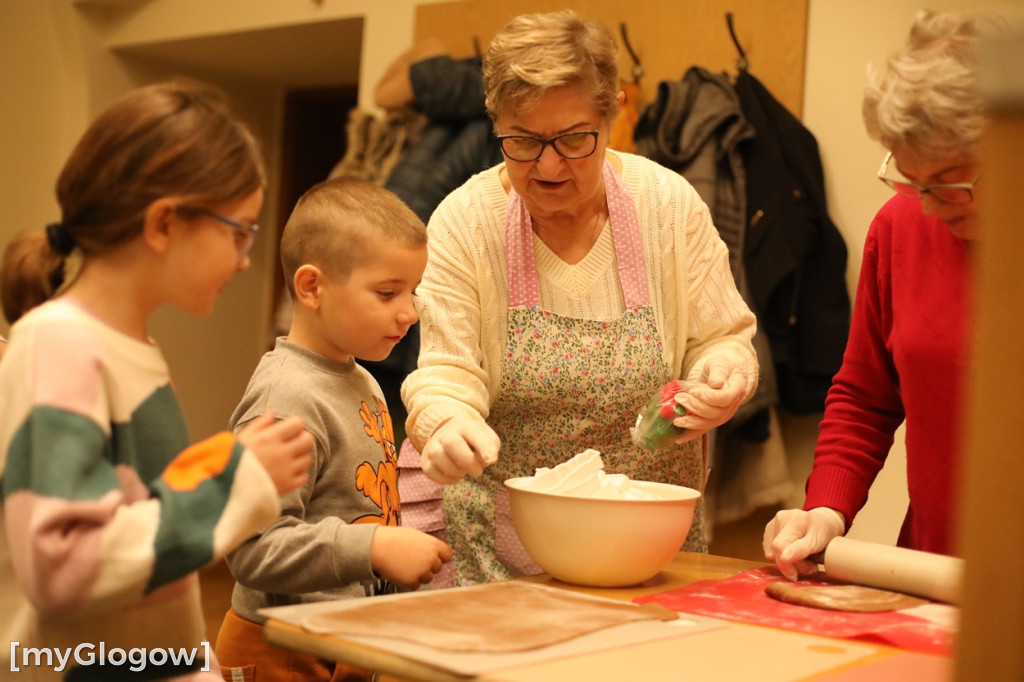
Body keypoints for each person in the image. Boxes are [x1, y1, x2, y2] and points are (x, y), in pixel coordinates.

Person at [401, 9, 760, 586]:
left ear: (613, 111)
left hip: (650, 549)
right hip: (506, 554)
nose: (546, 165)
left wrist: (722, 374)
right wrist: (443, 423)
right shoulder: (466, 222)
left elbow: (721, 337)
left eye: (572, 139)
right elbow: (446, 372)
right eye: (522, 141)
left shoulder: (667, 206)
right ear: (497, 124)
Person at [0, 79, 314, 680]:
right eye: (238, 231)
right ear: (165, 223)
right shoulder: (61, 343)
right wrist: (235, 481)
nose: (246, 259)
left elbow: (141, 549)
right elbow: (63, 569)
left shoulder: (133, 350)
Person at [763, 9, 1001, 581]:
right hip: (935, 575)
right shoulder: (902, 226)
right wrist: (826, 508)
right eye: (911, 179)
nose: (929, 204)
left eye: (949, 181)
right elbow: (868, 394)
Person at [214, 177, 453, 681]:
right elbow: (252, 548)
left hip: (340, 638)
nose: (409, 312)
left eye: (412, 292)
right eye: (387, 293)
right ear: (312, 286)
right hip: (278, 647)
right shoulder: (287, 397)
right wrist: (373, 550)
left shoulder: (362, 378)